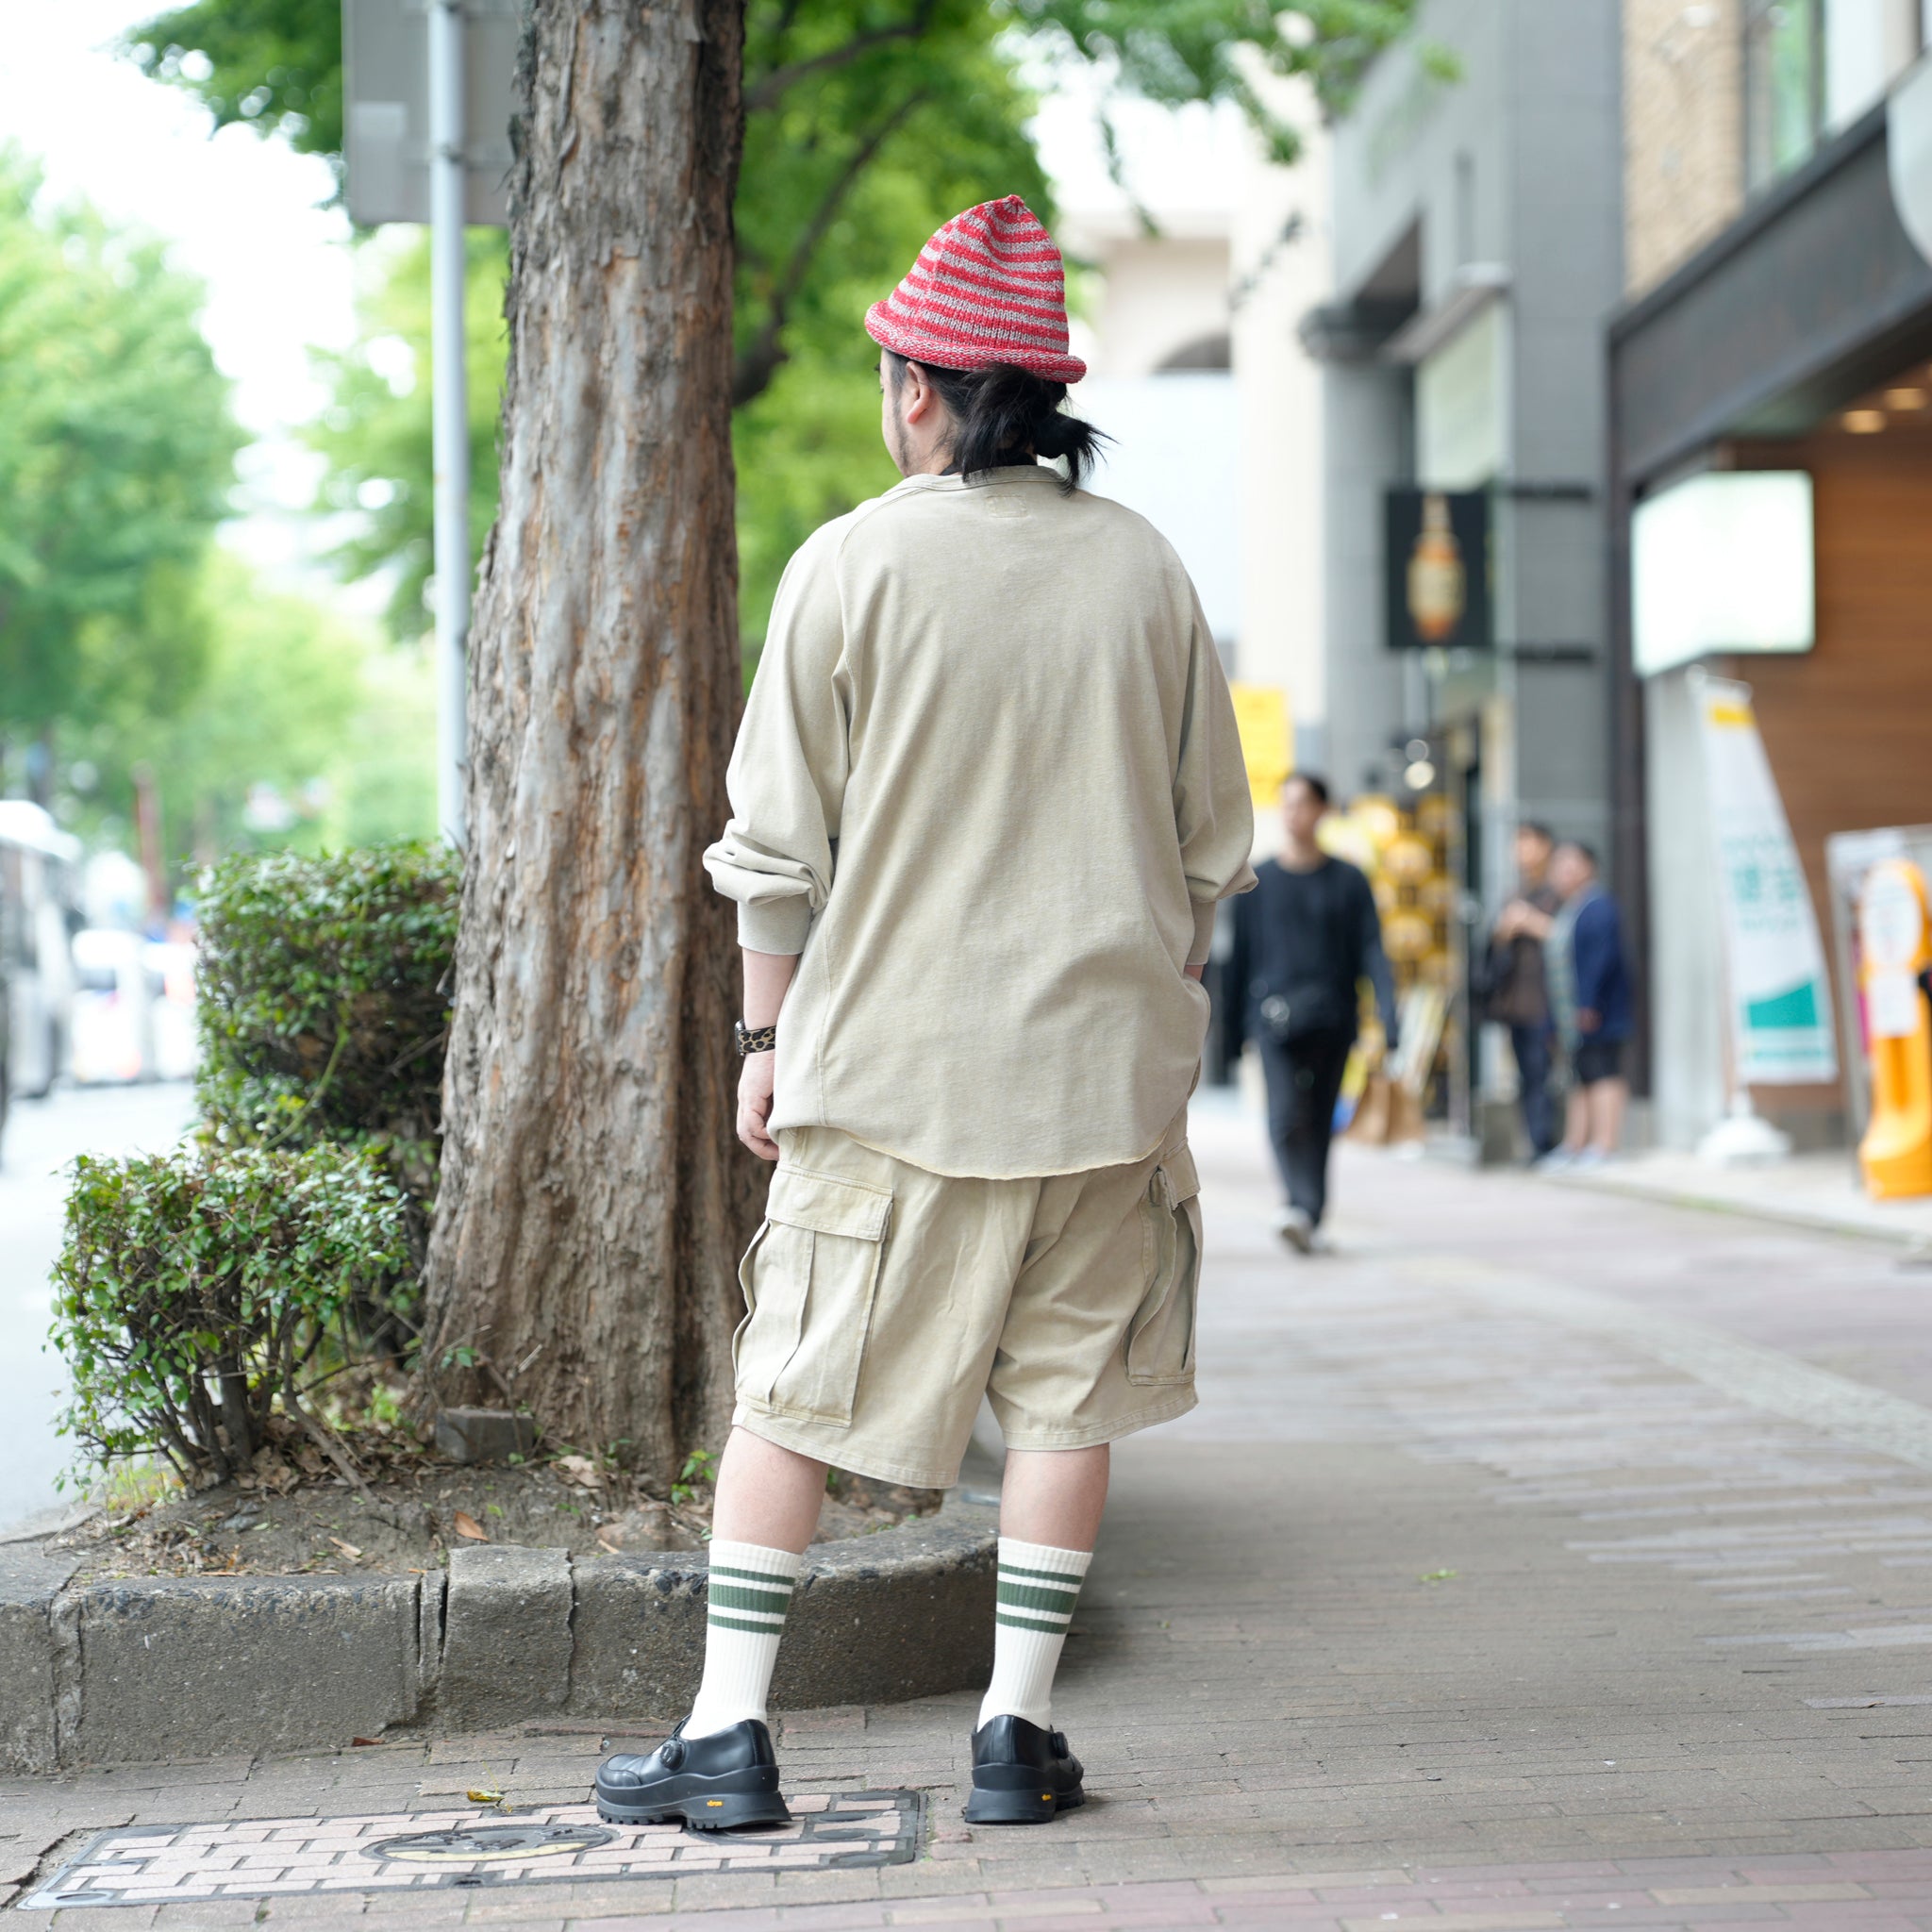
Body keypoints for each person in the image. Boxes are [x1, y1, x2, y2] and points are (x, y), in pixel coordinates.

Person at [590, 196, 1256, 1833]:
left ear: (919, 392)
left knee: (793, 1395)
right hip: (1103, 1087)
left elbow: (773, 852)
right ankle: (1014, 1735)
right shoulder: (1145, 570)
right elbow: (1209, 849)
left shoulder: (852, 563)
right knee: (1070, 1401)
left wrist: (763, 1044)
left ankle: (729, 1736)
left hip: (893, 1074)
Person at [1226, 774, 1396, 1254]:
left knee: (1320, 1118)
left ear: (1323, 810)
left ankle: (1309, 1212)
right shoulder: (1258, 881)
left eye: (1302, 804)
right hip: (1272, 1020)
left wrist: (1389, 1014)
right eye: (1286, 804)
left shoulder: (1349, 879)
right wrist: (1228, 1034)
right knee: (1284, 1114)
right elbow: (1240, 958)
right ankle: (1297, 1206)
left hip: (1333, 1019)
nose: (1292, 813)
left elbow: (1372, 950)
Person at [1519, 840, 1632, 1167]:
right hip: (1571, 1013)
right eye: (1559, 864)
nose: (1564, 871)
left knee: (1603, 1072)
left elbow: (1600, 960)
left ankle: (1604, 1144)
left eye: (1572, 863)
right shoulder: (1570, 908)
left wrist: (1588, 1004)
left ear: (1589, 867)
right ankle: (1576, 1144)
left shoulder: (1599, 906)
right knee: (1579, 1076)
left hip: (1597, 1011)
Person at [1483, 822, 1560, 1159]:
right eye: (1516, 844)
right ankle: (1535, 1143)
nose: (1519, 851)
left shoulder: (1556, 892)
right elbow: (1494, 946)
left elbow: (1567, 934)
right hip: (1516, 1002)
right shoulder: (1516, 893)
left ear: (1545, 846)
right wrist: (1503, 931)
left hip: (1549, 1001)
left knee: (1544, 1074)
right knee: (1526, 1076)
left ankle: (1547, 1143)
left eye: (1526, 843)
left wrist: (1529, 921)